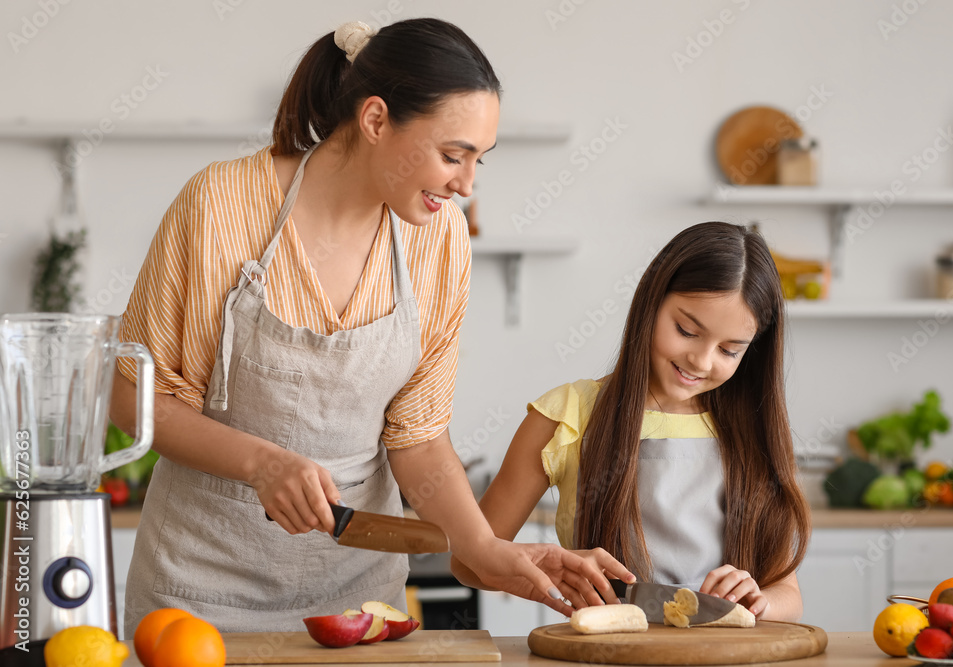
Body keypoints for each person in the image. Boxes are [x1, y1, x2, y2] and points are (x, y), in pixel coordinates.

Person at [110, 17, 631, 635]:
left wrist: (489, 552)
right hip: (197, 595)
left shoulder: (440, 242)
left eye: (478, 160)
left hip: (357, 599)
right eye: (451, 155)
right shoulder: (221, 205)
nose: (466, 184)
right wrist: (262, 464)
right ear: (376, 119)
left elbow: (416, 437)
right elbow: (134, 400)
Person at [452, 222, 812, 620]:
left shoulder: (753, 431)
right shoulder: (568, 415)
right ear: (651, 301)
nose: (702, 360)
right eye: (686, 330)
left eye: (729, 351)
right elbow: (469, 563)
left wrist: (760, 603)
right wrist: (551, 564)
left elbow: (788, 594)